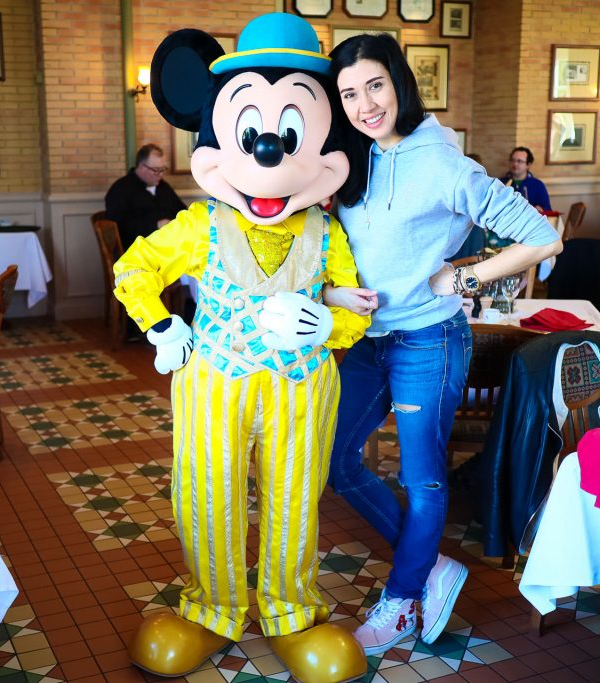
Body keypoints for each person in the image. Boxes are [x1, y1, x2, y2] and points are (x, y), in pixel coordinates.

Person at [116, 14, 371, 683]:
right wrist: (164, 326)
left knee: (296, 497)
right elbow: (133, 271)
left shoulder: (326, 229)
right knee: (207, 494)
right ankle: (213, 607)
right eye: (252, 134)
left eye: (290, 136)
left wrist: (330, 324)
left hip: (302, 386)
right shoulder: (199, 223)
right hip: (214, 383)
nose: (268, 154)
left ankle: (291, 608)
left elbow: (354, 306)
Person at [323, 33, 562, 657]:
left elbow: (541, 236)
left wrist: (460, 278)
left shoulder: (446, 163)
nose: (364, 104)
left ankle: (401, 601)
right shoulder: (356, 157)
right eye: (349, 93)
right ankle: (428, 567)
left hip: (431, 337)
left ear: (399, 80)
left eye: (374, 85)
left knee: (423, 481)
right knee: (337, 461)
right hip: (372, 341)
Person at [104, 143, 186, 248]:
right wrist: (156, 225)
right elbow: (119, 228)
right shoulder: (120, 189)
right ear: (142, 167)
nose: (161, 174)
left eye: (163, 169)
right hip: (138, 251)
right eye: (156, 170)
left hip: (170, 245)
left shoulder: (163, 186)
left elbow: (182, 210)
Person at [499, 146, 551, 212]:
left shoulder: (538, 185)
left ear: (528, 165)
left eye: (519, 161)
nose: (515, 164)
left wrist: (540, 209)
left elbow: (547, 210)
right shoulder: (500, 183)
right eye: (513, 160)